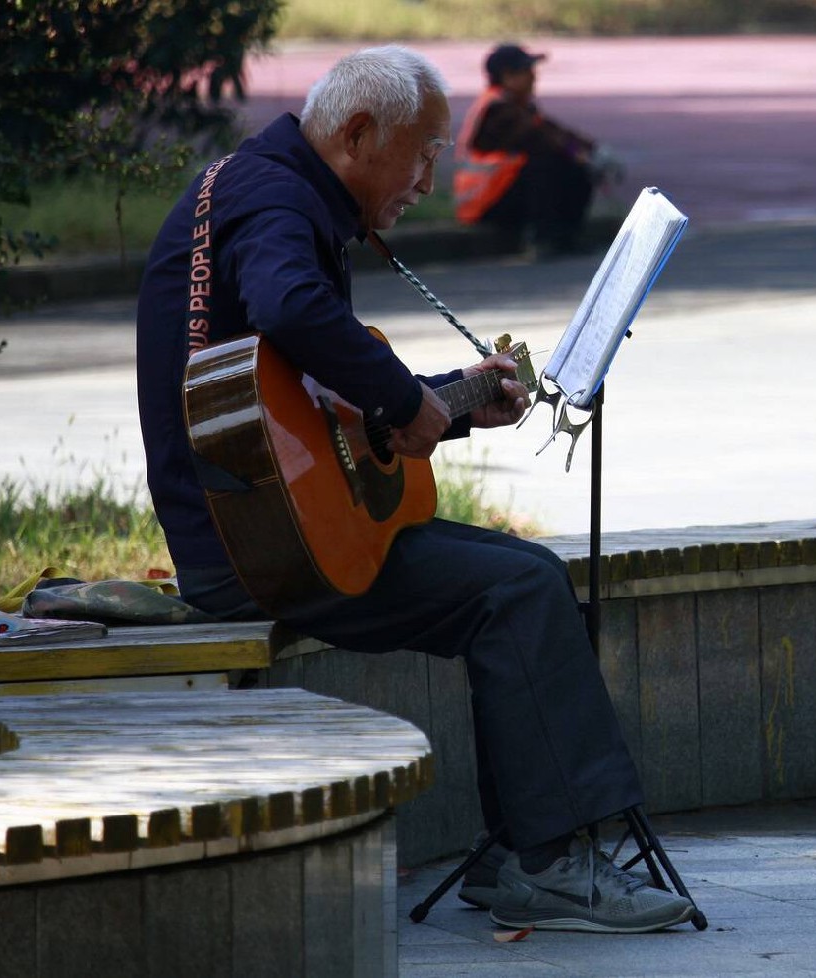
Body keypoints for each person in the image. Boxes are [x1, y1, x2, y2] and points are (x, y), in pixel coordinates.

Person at [136, 45, 692, 935]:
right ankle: (545, 862)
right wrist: (406, 397)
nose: (431, 182)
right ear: (357, 135)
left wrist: (456, 403)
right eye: (427, 154)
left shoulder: (256, 186)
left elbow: (307, 399)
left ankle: (532, 850)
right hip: (259, 552)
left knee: (522, 578)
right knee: (519, 589)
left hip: (265, 519)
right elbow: (290, 309)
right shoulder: (276, 200)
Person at [454, 43, 622, 257]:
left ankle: (564, 238)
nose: (534, 77)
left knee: (574, 168)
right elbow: (540, 139)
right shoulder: (497, 110)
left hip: (502, 194)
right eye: (527, 71)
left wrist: (592, 149)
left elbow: (554, 131)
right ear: (508, 76)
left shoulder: (518, 105)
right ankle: (543, 239)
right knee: (549, 165)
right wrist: (578, 154)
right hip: (486, 203)